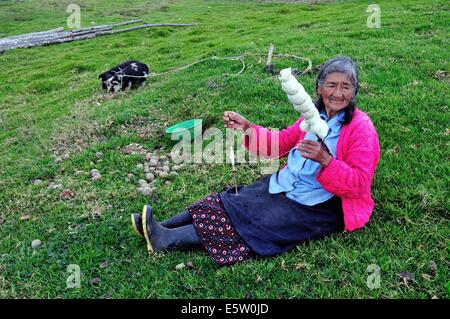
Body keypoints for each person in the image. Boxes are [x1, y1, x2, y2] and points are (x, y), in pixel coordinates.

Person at [131, 56, 380, 266]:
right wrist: (248, 128)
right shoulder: (313, 117)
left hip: (318, 204)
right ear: (318, 88)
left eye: (346, 86)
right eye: (331, 85)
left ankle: (164, 239)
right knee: (230, 200)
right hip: (285, 184)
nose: (338, 93)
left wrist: (326, 160)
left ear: (355, 91)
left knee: (251, 222)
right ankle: (158, 226)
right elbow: (281, 142)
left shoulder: (361, 128)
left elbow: (359, 184)